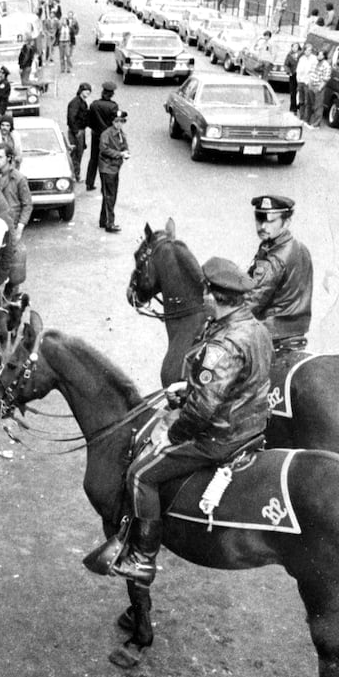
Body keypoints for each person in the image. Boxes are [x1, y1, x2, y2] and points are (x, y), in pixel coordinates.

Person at [114, 258, 273, 585]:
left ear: (216, 297)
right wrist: (188, 386)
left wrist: (174, 434)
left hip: (220, 438)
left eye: (206, 295)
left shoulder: (222, 344)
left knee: (140, 474)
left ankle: (142, 559)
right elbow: (241, 382)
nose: (204, 300)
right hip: (252, 427)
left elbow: (202, 409)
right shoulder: (256, 328)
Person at [244, 195, 314, 359]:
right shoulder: (298, 246)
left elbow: (253, 301)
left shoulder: (275, 258)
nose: (263, 226)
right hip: (296, 327)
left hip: (272, 330)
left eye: (270, 221)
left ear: (287, 222)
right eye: (259, 220)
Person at [97, 110, 129, 233]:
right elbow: (104, 149)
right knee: (110, 196)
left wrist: (126, 152)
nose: (119, 124)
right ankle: (110, 223)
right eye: (117, 121)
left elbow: (124, 145)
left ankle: (103, 220)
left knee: (110, 195)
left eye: (122, 121)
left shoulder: (120, 133)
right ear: (112, 122)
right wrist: (119, 154)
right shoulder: (107, 134)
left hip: (114, 167)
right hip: (107, 168)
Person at [85, 80, 119, 191]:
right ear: (111, 94)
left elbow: (89, 121)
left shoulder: (94, 105)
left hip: (96, 134)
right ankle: (104, 185)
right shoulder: (113, 107)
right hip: (107, 137)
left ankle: (89, 183)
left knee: (93, 159)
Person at [66, 82, 91, 181]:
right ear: (81, 91)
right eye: (86, 90)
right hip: (77, 131)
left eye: (89, 91)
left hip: (80, 130)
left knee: (78, 153)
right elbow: (71, 118)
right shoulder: (76, 103)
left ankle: (76, 174)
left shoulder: (81, 102)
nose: (88, 92)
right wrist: (76, 131)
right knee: (76, 154)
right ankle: (75, 175)